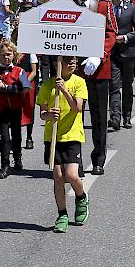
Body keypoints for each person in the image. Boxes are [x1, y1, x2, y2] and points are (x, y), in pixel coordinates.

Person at [62, 0, 117, 176]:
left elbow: (111, 32)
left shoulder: (102, 5)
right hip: (74, 70)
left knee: (99, 117)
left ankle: (98, 159)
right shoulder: (67, 5)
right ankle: (75, 160)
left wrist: (99, 54)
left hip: (98, 68)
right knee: (73, 115)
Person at [36, 55, 89, 233]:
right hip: (54, 137)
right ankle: (62, 214)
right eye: (67, 60)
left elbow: (77, 107)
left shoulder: (79, 82)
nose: (72, 62)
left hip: (72, 135)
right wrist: (49, 114)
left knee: (72, 175)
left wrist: (64, 90)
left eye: (73, 59)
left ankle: (81, 197)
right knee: (58, 177)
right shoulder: (46, 85)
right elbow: (42, 114)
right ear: (56, 63)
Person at [0, 40, 32, 178]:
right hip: (2, 108)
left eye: (9, 54)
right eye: (3, 55)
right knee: (4, 137)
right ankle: (5, 165)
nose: (6, 57)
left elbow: (25, 87)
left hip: (15, 107)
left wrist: (7, 88)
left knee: (16, 135)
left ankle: (18, 159)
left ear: (14, 55)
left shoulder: (19, 71)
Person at [109, 0, 135, 131]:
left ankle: (126, 116)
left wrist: (126, 37)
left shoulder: (131, 9)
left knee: (127, 86)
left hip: (128, 53)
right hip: (112, 53)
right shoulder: (107, 10)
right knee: (114, 86)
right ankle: (115, 117)